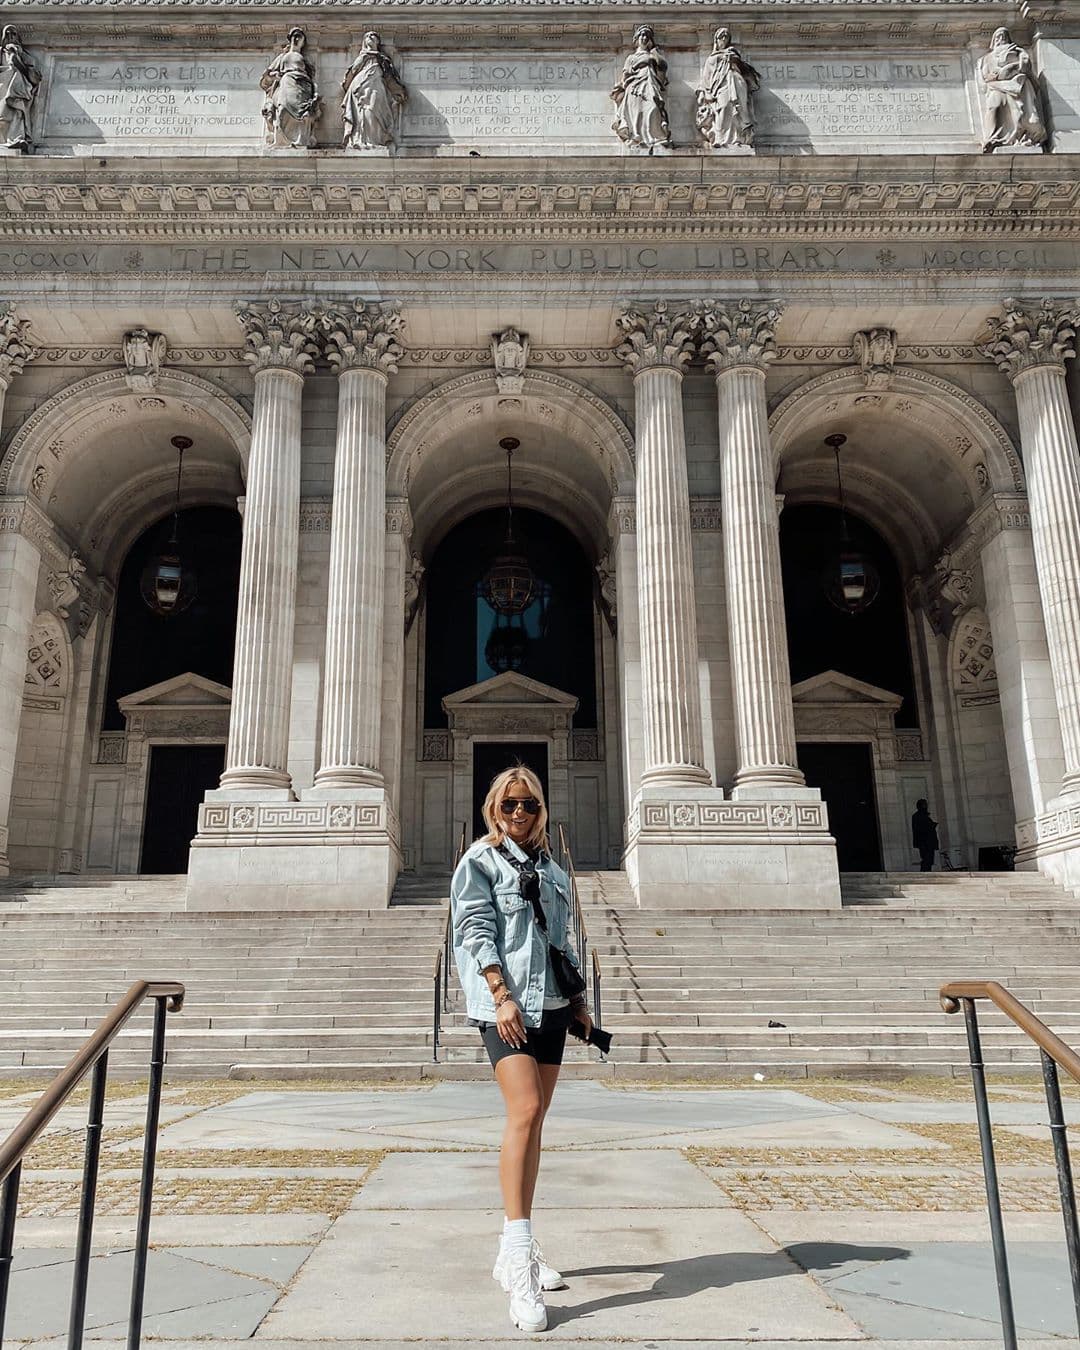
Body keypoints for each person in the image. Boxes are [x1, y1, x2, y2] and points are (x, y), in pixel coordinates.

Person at [450, 765, 592, 1334]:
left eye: (529, 804)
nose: (519, 813)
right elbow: (474, 928)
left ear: (542, 810)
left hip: (554, 1005)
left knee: (536, 1124)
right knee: (524, 1112)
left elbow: (561, 938)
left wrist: (579, 998)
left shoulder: (554, 869)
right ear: (493, 809)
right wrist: (500, 993)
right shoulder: (478, 863)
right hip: (505, 1008)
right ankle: (517, 1256)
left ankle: (519, 1244)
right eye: (509, 804)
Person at [977, 27, 1046, 152]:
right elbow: (983, 79)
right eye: (998, 37)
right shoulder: (986, 58)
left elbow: (1025, 66)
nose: (1001, 38)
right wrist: (994, 76)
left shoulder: (1017, 50)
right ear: (994, 41)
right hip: (995, 86)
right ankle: (992, 138)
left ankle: (1017, 137)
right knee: (994, 106)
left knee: (1018, 113)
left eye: (1004, 36)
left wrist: (1015, 66)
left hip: (1015, 85)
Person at [695, 27, 760, 150]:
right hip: (720, 87)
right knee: (725, 107)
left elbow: (747, 72)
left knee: (739, 108)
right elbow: (706, 78)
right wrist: (704, 92)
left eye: (726, 37)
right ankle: (721, 138)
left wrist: (735, 61)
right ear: (716, 40)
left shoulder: (733, 53)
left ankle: (738, 138)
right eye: (721, 37)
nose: (724, 39)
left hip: (737, 81)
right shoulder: (711, 58)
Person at [341, 31, 407, 150]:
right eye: (367, 36)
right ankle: (361, 140)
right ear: (364, 42)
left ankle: (376, 139)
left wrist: (397, 90)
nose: (370, 37)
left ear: (378, 42)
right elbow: (351, 73)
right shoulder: (362, 57)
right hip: (360, 86)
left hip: (376, 85)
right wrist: (363, 58)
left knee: (373, 108)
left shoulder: (382, 59)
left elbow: (389, 77)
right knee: (363, 111)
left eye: (373, 36)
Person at [611, 24, 671, 151]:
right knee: (637, 112)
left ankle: (654, 137)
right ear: (637, 39)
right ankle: (636, 136)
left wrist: (654, 52)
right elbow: (626, 75)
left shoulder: (653, 55)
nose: (644, 38)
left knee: (653, 108)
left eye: (647, 36)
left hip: (650, 85)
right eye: (642, 35)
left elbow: (662, 67)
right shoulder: (631, 58)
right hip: (635, 88)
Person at [260, 27, 321, 149]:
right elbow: (268, 74)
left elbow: (311, 76)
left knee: (303, 112)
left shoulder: (304, 59)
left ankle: (300, 139)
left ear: (303, 42)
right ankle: (282, 139)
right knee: (282, 107)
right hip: (287, 82)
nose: (297, 38)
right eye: (294, 36)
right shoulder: (283, 57)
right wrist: (275, 76)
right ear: (290, 39)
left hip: (302, 86)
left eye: (299, 36)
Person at [0, 26, 40, 153]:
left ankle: (16, 138)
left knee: (18, 112)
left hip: (18, 89)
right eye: (7, 34)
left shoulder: (24, 55)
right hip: (4, 87)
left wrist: (18, 59)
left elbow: (35, 76)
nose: (11, 36)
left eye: (13, 33)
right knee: (3, 118)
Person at [911, 799, 939, 872]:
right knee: (927, 860)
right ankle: (924, 874)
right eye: (924, 804)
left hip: (929, 842)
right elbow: (919, 829)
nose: (926, 806)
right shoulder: (917, 816)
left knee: (929, 861)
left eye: (926, 804)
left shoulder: (924, 816)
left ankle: (927, 874)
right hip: (924, 842)